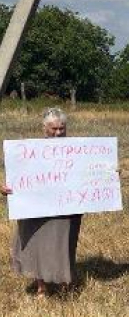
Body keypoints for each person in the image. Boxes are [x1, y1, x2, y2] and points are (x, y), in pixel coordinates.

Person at [1, 108, 81, 297]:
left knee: (64, 244)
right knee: (37, 245)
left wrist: (107, 176)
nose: (58, 133)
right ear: (44, 128)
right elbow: (16, 177)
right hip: (35, 209)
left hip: (65, 208)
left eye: (62, 128)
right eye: (54, 129)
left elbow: (88, 173)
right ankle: (41, 287)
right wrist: (5, 188)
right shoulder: (28, 151)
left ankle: (64, 283)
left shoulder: (77, 149)